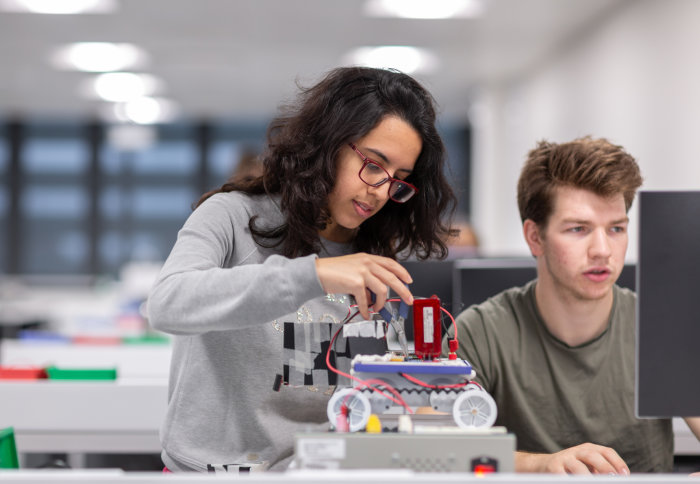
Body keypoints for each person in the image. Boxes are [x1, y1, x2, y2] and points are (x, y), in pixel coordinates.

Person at [147, 66, 457, 473]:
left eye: (398, 179)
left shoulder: (374, 256)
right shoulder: (230, 216)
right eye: (374, 165)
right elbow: (167, 303)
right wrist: (315, 274)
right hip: (210, 472)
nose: (381, 191)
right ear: (328, 144)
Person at [442, 136, 700, 474]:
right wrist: (541, 465)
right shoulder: (480, 332)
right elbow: (438, 445)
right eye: (579, 229)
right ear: (535, 237)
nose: (602, 250)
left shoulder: (661, 328)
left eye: (616, 229)